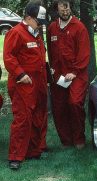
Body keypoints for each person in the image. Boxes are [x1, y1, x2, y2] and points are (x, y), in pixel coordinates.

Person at [3, 2, 48, 170]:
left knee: (37, 116)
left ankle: (33, 150)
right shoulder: (16, 33)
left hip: (38, 82)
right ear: (28, 18)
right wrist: (21, 74)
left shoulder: (36, 34)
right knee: (22, 119)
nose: (40, 26)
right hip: (22, 84)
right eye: (38, 22)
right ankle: (15, 156)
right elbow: (8, 57)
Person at [47, 0, 90, 149]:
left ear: (70, 7)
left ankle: (79, 139)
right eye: (62, 8)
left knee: (74, 103)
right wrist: (52, 70)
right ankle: (66, 140)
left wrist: (75, 71)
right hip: (58, 76)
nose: (65, 11)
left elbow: (84, 53)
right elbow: (51, 52)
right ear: (57, 8)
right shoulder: (52, 27)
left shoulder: (79, 27)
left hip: (76, 74)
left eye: (67, 8)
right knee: (59, 107)